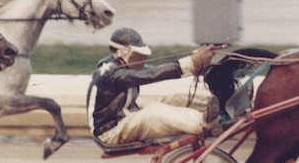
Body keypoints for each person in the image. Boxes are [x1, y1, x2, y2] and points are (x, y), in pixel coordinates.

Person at [87, 28, 220, 146]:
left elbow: (157, 71)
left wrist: (192, 69)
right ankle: (203, 123)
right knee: (153, 111)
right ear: (123, 52)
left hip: (126, 121)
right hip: (110, 133)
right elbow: (151, 75)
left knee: (175, 98)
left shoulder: (124, 67)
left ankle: (219, 105)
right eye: (137, 55)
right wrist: (191, 61)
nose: (141, 59)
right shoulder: (111, 73)